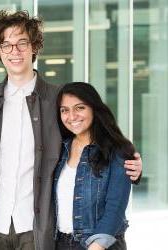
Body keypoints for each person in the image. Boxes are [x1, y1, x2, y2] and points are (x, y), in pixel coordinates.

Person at [0, 10, 142, 250]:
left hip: (39, 227)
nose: (14, 51)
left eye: (22, 43)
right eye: (6, 45)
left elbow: (91, 140)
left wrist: (127, 162)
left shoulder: (57, 99)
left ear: (34, 47)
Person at [53, 82, 133, 250]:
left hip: (99, 245)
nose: (72, 116)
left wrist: (97, 246)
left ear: (94, 109)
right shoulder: (60, 148)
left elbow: (115, 208)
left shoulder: (118, 150)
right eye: (64, 110)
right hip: (59, 243)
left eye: (80, 108)